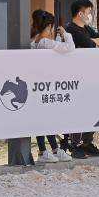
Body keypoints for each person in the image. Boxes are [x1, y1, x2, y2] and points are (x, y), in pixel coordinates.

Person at [63, 0, 99, 159]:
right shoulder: (71, 30)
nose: (90, 15)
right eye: (88, 12)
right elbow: (89, 44)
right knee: (77, 111)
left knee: (92, 108)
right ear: (80, 14)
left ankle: (87, 142)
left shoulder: (87, 28)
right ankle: (74, 145)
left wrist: (95, 41)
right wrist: (94, 42)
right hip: (75, 77)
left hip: (90, 76)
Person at [30, 9, 74, 163]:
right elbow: (70, 47)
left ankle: (52, 149)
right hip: (46, 84)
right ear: (49, 26)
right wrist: (65, 34)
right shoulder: (45, 42)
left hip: (40, 85)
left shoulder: (34, 42)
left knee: (44, 118)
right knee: (44, 119)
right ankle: (44, 151)